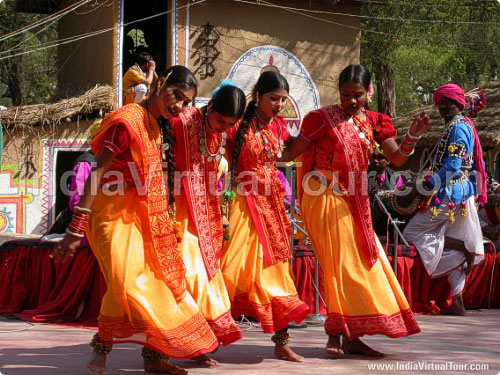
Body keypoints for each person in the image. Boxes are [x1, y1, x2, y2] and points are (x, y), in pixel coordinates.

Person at [54, 66, 219, 375]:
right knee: (124, 283)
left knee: (155, 283)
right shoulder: (127, 120)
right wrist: (76, 227)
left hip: (143, 215)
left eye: (186, 102)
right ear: (159, 85)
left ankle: (152, 356)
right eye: (176, 96)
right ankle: (104, 348)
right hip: (109, 213)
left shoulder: (157, 127)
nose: (179, 106)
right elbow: (98, 170)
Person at [279, 64, 428, 356]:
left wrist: (413, 135)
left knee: (365, 265)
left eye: (357, 95)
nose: (350, 101)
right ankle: (335, 332)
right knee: (340, 263)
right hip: (323, 195)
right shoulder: (320, 119)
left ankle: (352, 334)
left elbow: (397, 158)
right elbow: (289, 154)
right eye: (345, 94)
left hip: (355, 201)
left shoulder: (375, 121)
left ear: (367, 93)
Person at [220, 71, 310, 362]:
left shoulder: (280, 126)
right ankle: (205, 335)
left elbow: (285, 155)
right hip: (243, 206)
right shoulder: (237, 125)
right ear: (258, 96)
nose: (279, 104)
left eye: (283, 100)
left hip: (272, 209)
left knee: (278, 276)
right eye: (274, 98)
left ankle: (281, 342)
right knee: (230, 270)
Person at [168, 82, 246, 364]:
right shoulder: (183, 120)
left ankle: (198, 342)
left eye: (229, 124)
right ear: (210, 107)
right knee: (187, 274)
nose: (222, 127)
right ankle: (182, 342)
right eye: (220, 120)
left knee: (206, 275)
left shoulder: (221, 136)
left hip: (207, 214)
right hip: (177, 210)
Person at [403, 83, 486, 316]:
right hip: (458, 194)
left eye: (448, 102)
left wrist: (422, 186)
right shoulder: (459, 125)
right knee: (444, 240)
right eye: (440, 103)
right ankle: (457, 302)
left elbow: (452, 167)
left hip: (450, 195)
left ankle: (465, 250)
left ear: (458, 103)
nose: (444, 107)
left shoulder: (458, 129)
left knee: (412, 234)